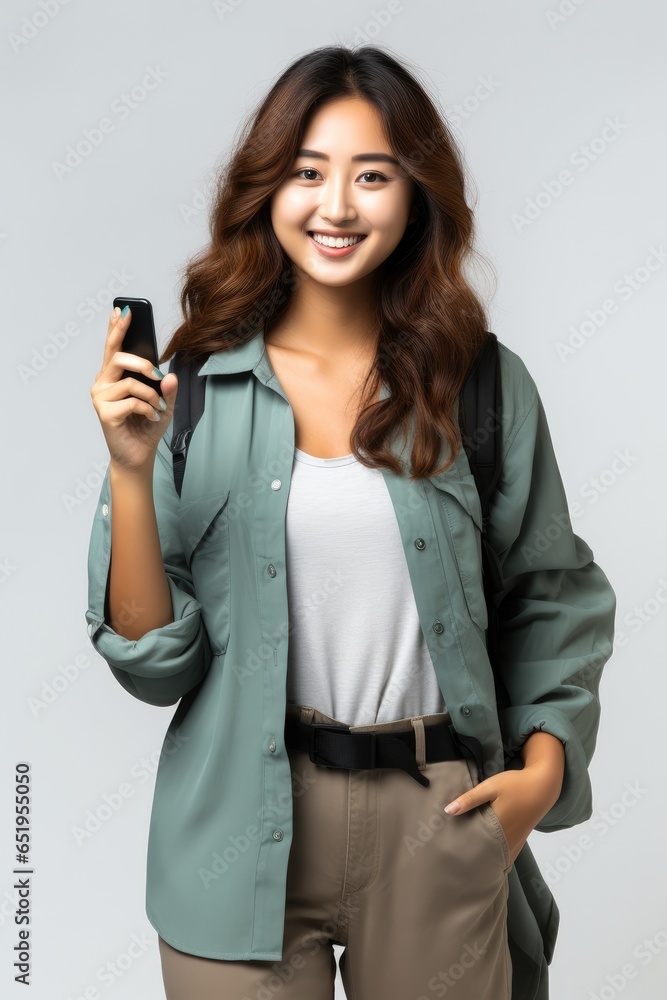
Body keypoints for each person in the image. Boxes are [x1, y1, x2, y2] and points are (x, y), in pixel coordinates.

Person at [86, 44, 617, 1000]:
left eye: (371, 175)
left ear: (416, 195)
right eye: (306, 172)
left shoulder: (483, 385)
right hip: (236, 821)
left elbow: (552, 593)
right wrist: (131, 470)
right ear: (266, 189)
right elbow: (151, 665)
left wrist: (541, 770)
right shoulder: (191, 389)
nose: (336, 205)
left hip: (438, 817)